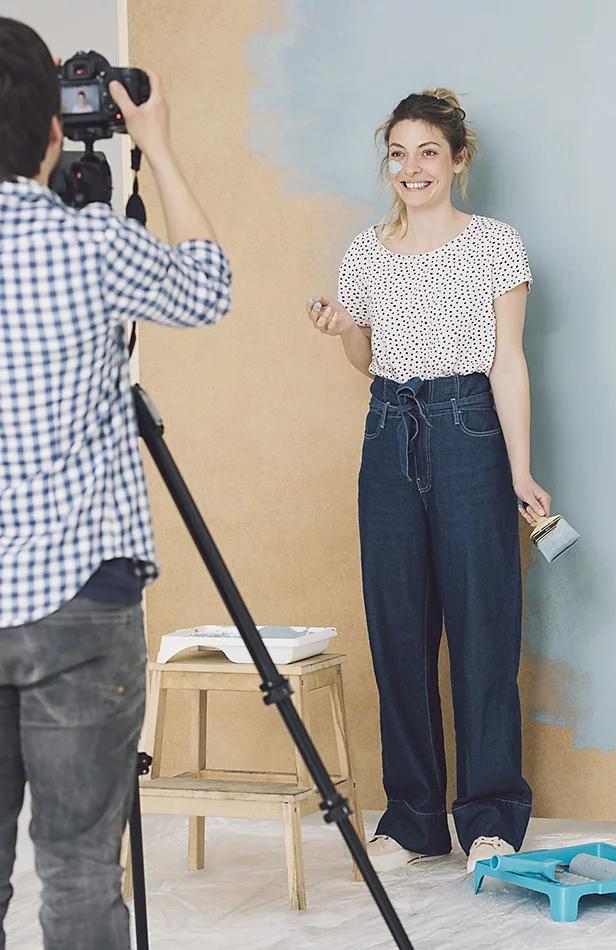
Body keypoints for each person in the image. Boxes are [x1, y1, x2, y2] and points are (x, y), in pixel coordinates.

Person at [0, 18, 230, 950]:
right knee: (81, 871)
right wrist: (158, 147)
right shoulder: (91, 244)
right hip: (81, 597)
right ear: (56, 128)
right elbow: (207, 287)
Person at [307, 88, 551, 875]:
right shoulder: (366, 251)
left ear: (458, 159)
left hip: (469, 424)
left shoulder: (494, 246)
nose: (412, 169)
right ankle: (412, 817)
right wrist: (348, 329)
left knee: (484, 626)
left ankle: (491, 815)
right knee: (398, 630)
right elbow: (366, 360)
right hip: (389, 428)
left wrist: (519, 469)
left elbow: (508, 361)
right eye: (400, 153)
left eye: (428, 153)